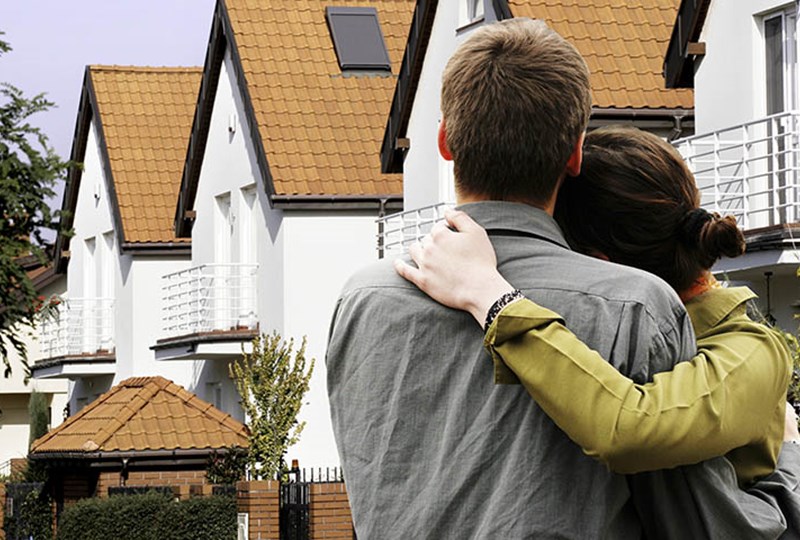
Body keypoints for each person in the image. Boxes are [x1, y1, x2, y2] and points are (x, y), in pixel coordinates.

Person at [327, 18, 752, 538]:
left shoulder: (363, 299)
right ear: (575, 154)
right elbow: (704, 525)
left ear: (444, 141)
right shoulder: (635, 308)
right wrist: (791, 461)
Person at [394, 126, 800, 537]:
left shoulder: (750, 350)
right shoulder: (603, 332)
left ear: (598, 263)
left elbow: (631, 429)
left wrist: (492, 297)